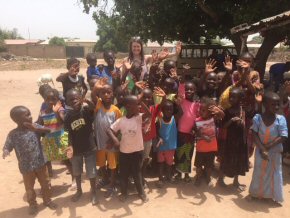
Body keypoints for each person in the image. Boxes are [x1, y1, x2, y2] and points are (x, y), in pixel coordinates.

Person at [3, 106, 57, 215]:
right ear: (17, 120)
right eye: (27, 115)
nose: (31, 116)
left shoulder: (35, 127)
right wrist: (6, 150)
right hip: (26, 167)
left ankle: (47, 200)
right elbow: (8, 145)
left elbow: (49, 130)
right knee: (29, 187)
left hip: (40, 163)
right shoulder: (13, 134)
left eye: (30, 114)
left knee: (46, 183)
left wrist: (36, 129)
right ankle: (32, 204)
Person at [107, 95, 151, 203]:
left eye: (138, 105)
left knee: (137, 173)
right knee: (124, 174)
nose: (139, 107)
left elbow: (149, 114)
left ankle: (141, 193)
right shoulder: (121, 121)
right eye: (137, 105)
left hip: (137, 152)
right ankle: (124, 193)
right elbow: (109, 130)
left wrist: (141, 102)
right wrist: (115, 140)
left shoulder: (139, 117)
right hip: (124, 152)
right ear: (128, 106)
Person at [249, 91, 288, 204]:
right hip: (260, 151)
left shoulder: (281, 119)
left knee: (274, 173)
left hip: (274, 152)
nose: (276, 107)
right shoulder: (258, 118)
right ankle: (256, 194)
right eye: (273, 104)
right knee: (258, 172)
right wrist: (262, 148)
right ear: (265, 104)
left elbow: (283, 136)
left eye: (278, 104)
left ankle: (271, 196)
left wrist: (267, 147)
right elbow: (254, 133)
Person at [64, 89, 98, 205]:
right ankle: (79, 191)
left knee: (92, 172)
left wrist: (87, 101)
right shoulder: (67, 117)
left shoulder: (86, 110)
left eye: (76, 98)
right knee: (77, 172)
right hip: (76, 150)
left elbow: (94, 108)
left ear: (80, 98)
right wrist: (69, 146)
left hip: (89, 147)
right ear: (67, 102)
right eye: (70, 99)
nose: (74, 100)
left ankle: (93, 192)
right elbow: (67, 133)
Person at [92, 79, 122, 198]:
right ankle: (104, 179)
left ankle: (112, 184)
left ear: (113, 94)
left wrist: (112, 140)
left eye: (109, 92)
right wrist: (96, 87)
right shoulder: (98, 105)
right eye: (103, 93)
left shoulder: (116, 110)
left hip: (111, 144)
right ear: (100, 95)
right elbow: (94, 94)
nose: (106, 95)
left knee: (112, 165)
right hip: (100, 143)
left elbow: (119, 127)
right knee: (102, 164)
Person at [37, 89, 73, 181]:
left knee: (66, 160)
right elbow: (39, 124)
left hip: (61, 138)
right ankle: (48, 179)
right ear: (44, 100)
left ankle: (74, 179)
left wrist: (56, 112)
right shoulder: (43, 112)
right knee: (47, 160)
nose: (50, 101)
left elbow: (63, 122)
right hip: (49, 139)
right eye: (48, 99)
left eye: (53, 99)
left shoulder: (60, 110)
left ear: (58, 100)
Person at [218, 87, 249, 190]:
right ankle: (220, 179)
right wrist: (231, 120)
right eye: (231, 97)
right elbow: (223, 126)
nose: (231, 99)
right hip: (230, 140)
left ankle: (236, 181)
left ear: (240, 99)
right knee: (226, 159)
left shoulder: (242, 110)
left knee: (238, 160)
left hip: (240, 140)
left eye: (234, 97)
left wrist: (242, 123)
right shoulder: (227, 111)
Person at [175, 81, 199, 182]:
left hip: (190, 134)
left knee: (188, 154)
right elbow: (180, 90)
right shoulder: (182, 101)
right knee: (179, 154)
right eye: (187, 89)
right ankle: (179, 173)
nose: (189, 91)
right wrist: (179, 79)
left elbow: (198, 118)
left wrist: (194, 128)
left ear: (195, 91)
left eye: (191, 89)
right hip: (180, 133)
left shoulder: (197, 104)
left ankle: (187, 175)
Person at [156, 99, 183, 187]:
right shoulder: (159, 120)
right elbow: (156, 132)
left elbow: (181, 113)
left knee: (169, 163)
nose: (169, 111)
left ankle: (169, 177)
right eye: (166, 109)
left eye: (171, 109)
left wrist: (178, 105)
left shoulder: (174, 118)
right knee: (160, 163)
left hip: (171, 147)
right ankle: (160, 179)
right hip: (161, 147)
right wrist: (159, 138)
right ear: (162, 110)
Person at [194, 97, 218, 186]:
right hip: (200, 149)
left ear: (209, 112)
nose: (201, 111)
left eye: (203, 110)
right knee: (198, 166)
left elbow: (221, 115)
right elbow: (196, 132)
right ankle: (198, 178)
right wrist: (204, 137)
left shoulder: (213, 119)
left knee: (209, 167)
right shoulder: (197, 120)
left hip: (211, 148)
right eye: (200, 109)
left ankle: (208, 178)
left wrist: (216, 109)